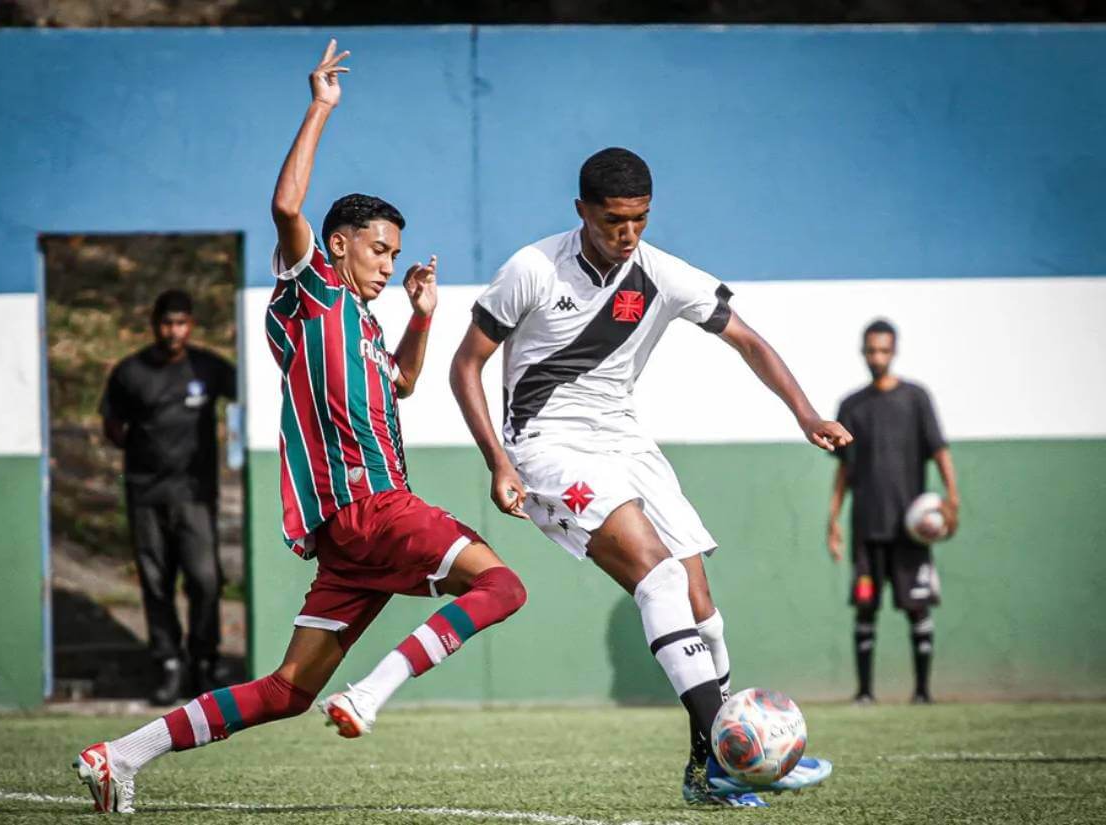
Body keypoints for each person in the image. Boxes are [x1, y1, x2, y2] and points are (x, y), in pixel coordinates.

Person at [74, 39, 526, 813]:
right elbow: (287, 208)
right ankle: (373, 693)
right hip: (375, 508)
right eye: (379, 250)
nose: (389, 263)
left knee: (286, 690)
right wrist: (321, 104)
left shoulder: (367, 328)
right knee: (503, 585)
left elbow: (408, 383)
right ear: (340, 244)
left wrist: (421, 319)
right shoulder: (313, 291)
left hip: (346, 539)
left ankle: (118, 753)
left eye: (396, 253)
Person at [449, 147, 849, 808]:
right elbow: (466, 366)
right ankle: (731, 749)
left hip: (627, 441)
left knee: (699, 603)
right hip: (547, 445)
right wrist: (498, 459)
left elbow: (746, 338)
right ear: (582, 211)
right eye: (613, 219)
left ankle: (709, 771)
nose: (627, 232)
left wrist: (805, 412)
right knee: (657, 574)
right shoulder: (531, 269)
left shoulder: (661, 273)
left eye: (639, 218)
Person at [100, 288, 236, 705]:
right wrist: (144, 456)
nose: (173, 331)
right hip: (146, 494)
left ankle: (204, 661)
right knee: (157, 583)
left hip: (195, 495)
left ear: (191, 324)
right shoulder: (129, 372)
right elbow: (112, 424)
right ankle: (168, 664)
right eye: (166, 323)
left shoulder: (210, 368)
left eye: (180, 323)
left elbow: (248, 403)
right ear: (154, 324)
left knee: (205, 580)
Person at [826, 319, 960, 705]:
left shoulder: (916, 399)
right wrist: (833, 520)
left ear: (894, 350)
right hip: (867, 529)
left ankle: (922, 692)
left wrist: (953, 499)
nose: (877, 357)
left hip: (911, 531)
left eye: (883, 350)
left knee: (917, 608)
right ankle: (865, 693)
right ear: (863, 351)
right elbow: (844, 469)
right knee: (865, 609)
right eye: (871, 350)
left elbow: (940, 450)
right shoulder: (851, 406)